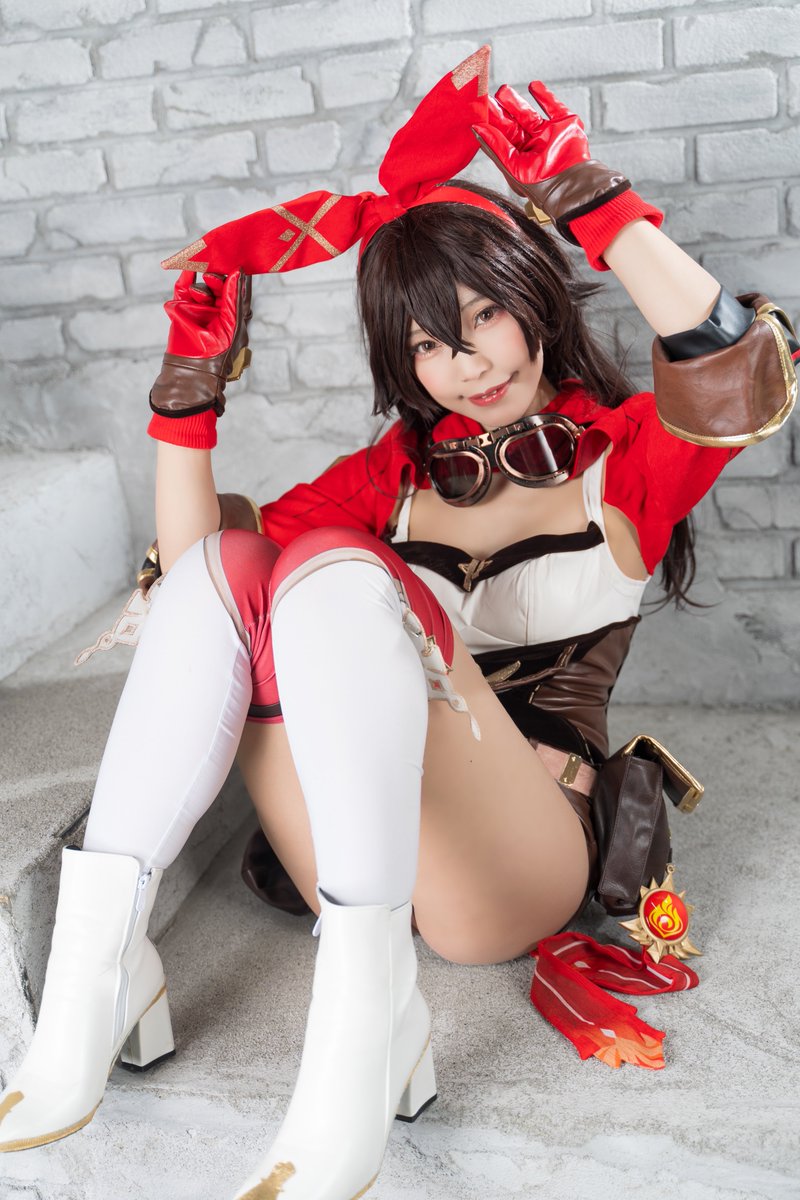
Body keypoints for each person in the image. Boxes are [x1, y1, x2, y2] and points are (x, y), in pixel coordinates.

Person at [1, 46, 796, 1200]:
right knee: (238, 561)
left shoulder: (622, 460)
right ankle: (100, 977)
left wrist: (591, 201)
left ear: (534, 302)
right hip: (350, 860)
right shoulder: (390, 477)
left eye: (483, 317)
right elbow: (194, 597)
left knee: (331, 565)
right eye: (425, 343)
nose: (461, 364)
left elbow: (728, 367)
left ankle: (357, 1025)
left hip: (513, 867)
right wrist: (186, 393)